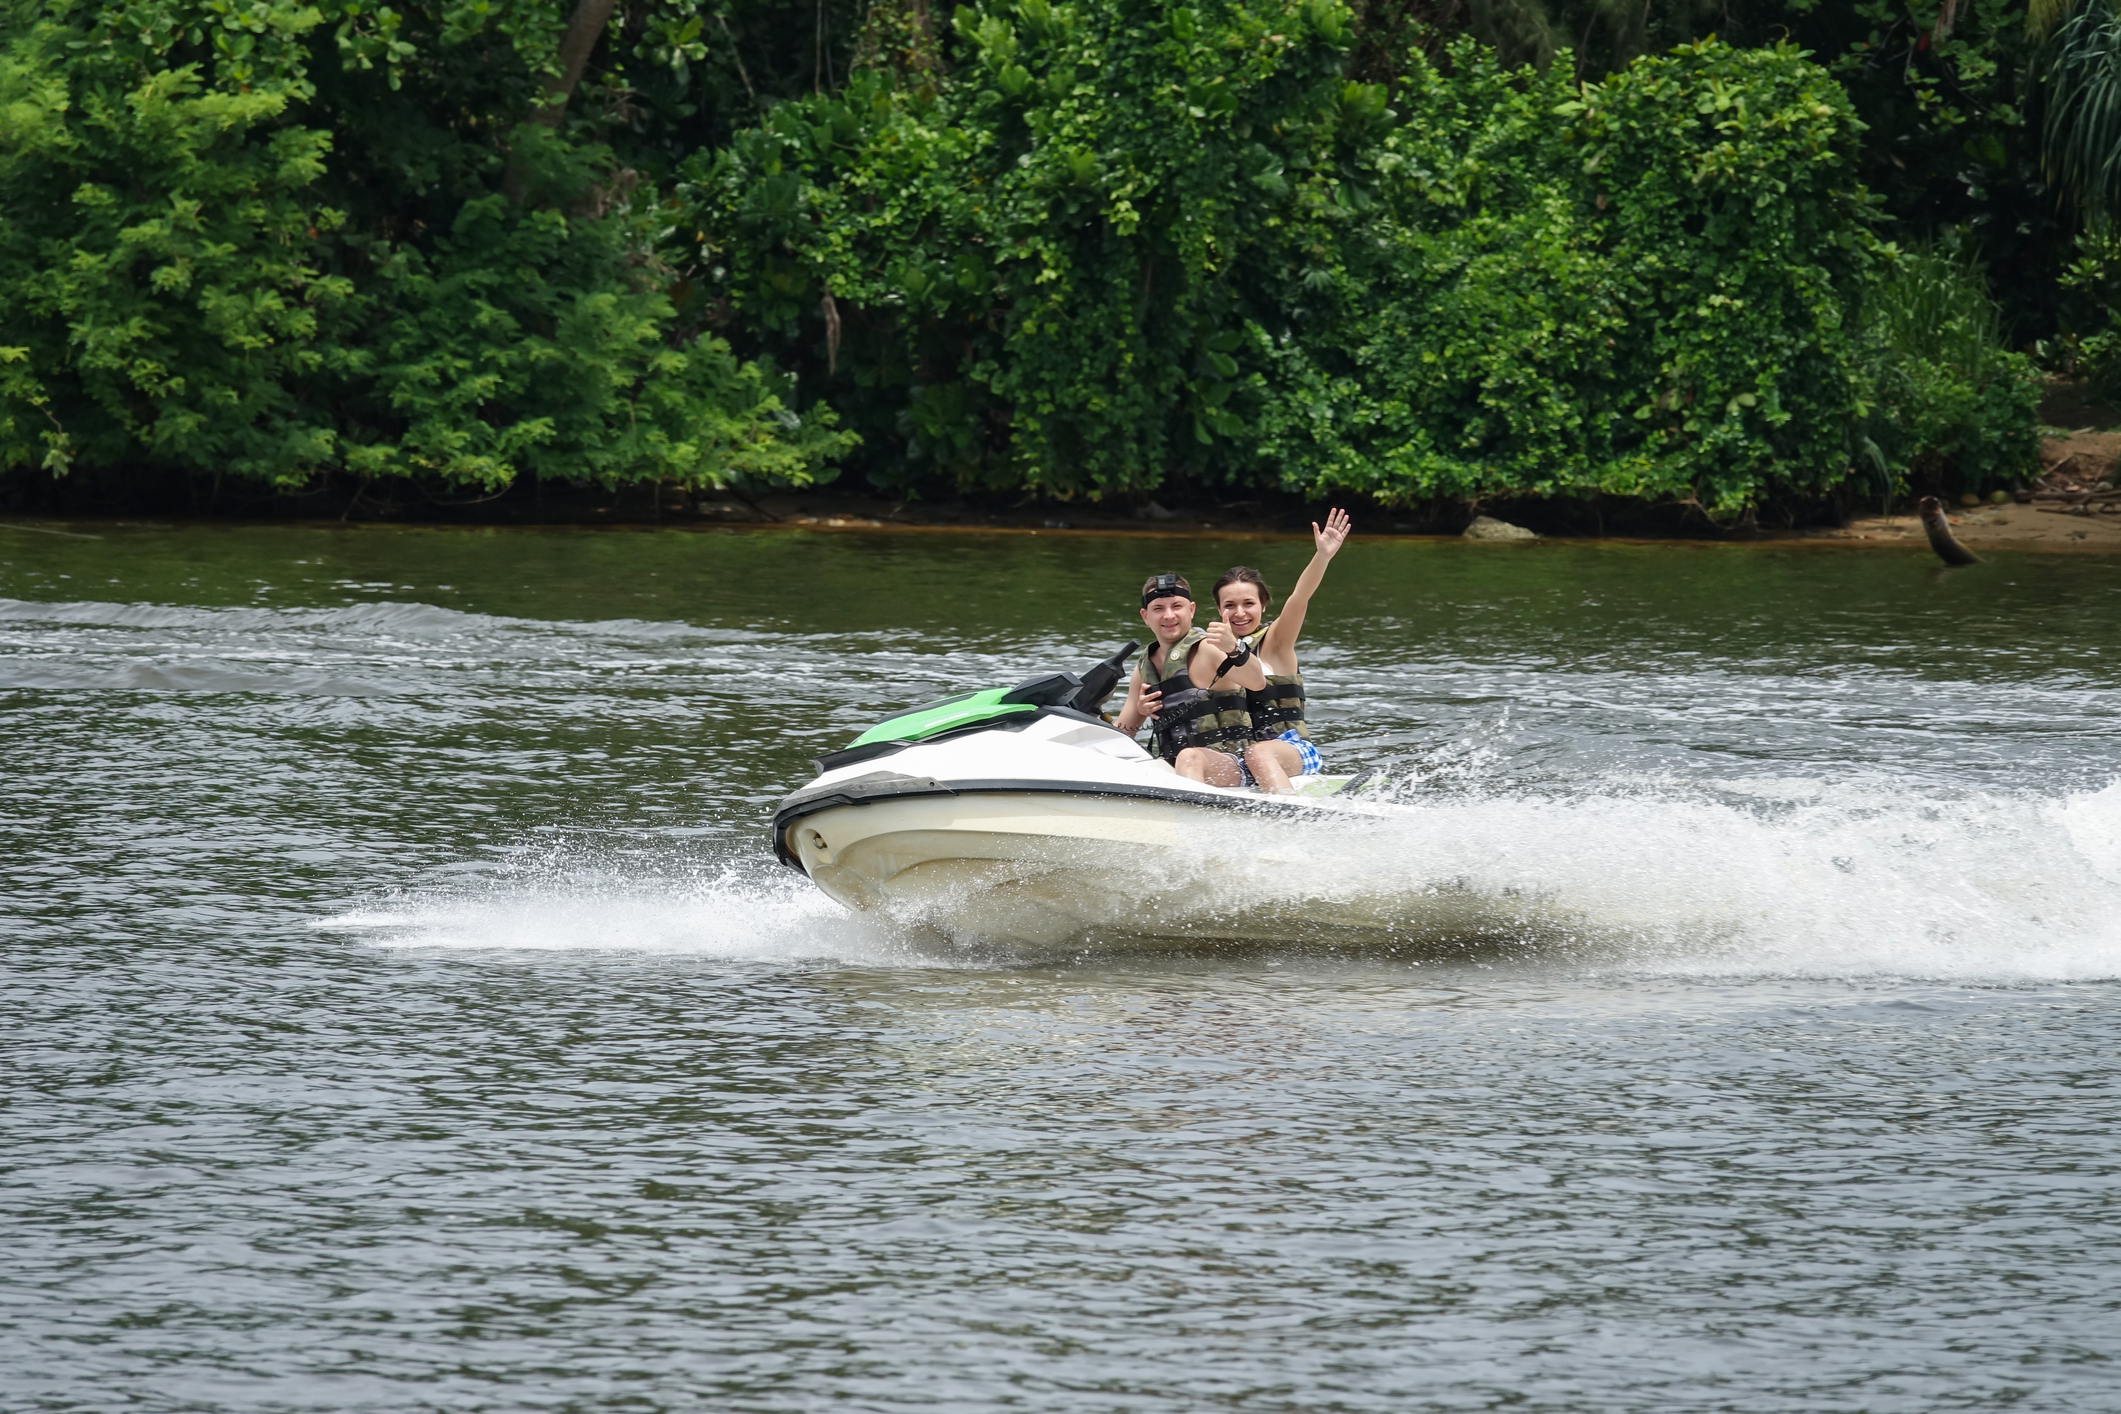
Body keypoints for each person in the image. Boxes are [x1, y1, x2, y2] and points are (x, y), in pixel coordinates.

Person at [1209, 506, 1352, 794]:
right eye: (1230, 605)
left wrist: (1322, 556)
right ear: (1218, 610)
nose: (1240, 613)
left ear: (1263, 606)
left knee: (1259, 753)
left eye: (1248, 604)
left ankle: (1286, 824)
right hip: (1240, 755)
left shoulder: (1276, 641)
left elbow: (1300, 597)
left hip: (1291, 749)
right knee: (1191, 758)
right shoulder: (1210, 650)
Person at [1113, 572, 1261, 786]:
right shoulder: (1144, 668)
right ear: (1145, 616)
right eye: (1158, 609)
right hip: (1177, 767)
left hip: (1234, 765)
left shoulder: (1208, 648)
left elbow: (1257, 682)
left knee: (1189, 757)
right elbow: (1123, 734)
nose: (1169, 615)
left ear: (1191, 610)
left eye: (1176, 606)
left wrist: (1234, 649)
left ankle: (1192, 817)